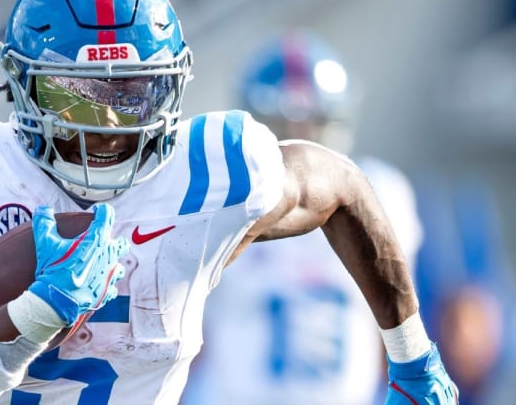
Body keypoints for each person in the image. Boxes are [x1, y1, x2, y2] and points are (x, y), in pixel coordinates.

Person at [0, 0, 458, 404]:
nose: (106, 128)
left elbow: (340, 184)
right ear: (23, 87)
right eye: (76, 97)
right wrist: (35, 315)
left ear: (172, 88)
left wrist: (412, 355)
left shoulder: (211, 171)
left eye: (132, 95)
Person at [181, 30, 425, 404]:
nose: (301, 146)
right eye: (282, 128)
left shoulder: (382, 192)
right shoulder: (216, 200)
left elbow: (395, 321)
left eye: (315, 127)